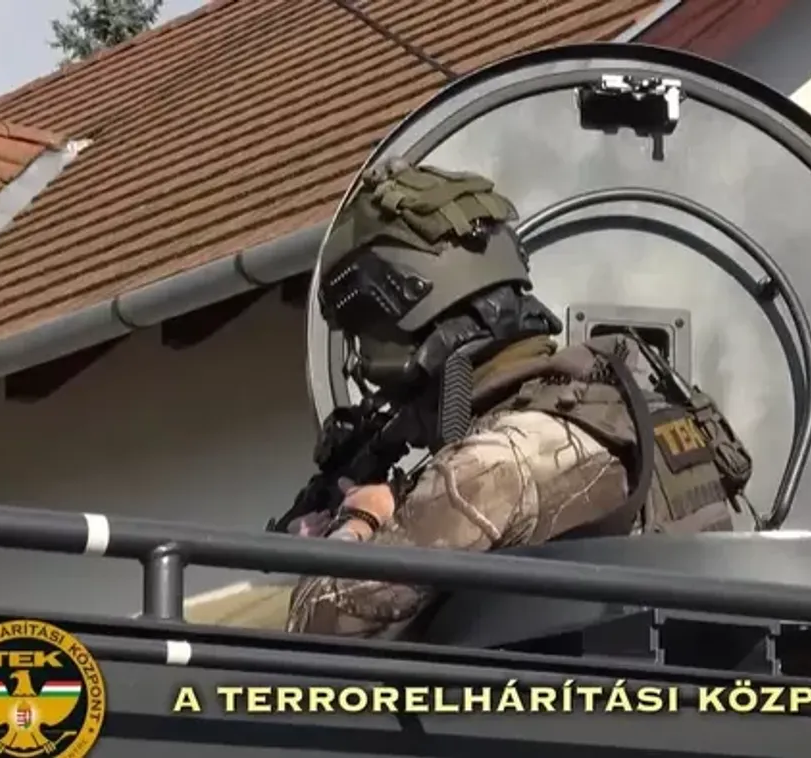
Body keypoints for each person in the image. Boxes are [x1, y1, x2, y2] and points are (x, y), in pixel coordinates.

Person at [283, 160, 752, 637]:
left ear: (403, 310)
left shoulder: (488, 466)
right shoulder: (638, 402)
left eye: (364, 334)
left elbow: (318, 625)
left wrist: (358, 519)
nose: (362, 360)